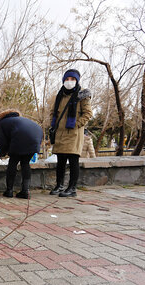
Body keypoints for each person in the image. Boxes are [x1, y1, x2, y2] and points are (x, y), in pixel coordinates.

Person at [48, 69, 93, 197]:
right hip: (60, 132)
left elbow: (88, 113)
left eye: (72, 79)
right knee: (60, 161)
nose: (69, 82)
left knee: (73, 160)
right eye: (67, 79)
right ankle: (59, 185)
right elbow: (53, 112)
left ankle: (72, 188)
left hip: (73, 134)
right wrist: (54, 124)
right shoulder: (60, 95)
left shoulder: (82, 96)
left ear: (77, 81)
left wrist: (76, 125)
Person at [0, 109, 43, 199]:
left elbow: (2, 142)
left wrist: (1, 153)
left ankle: (9, 191)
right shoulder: (18, 120)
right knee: (25, 163)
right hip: (36, 135)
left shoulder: (0, 124)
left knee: (13, 162)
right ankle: (25, 191)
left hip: (21, 137)